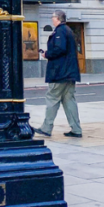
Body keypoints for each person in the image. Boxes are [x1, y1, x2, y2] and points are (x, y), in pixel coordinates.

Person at [33, 10, 82, 139]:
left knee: (52, 98)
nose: (51, 19)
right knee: (69, 100)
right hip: (69, 73)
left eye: (53, 17)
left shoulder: (60, 31)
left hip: (60, 72)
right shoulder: (68, 30)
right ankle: (76, 129)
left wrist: (47, 54)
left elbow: (60, 48)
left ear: (58, 19)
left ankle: (46, 127)